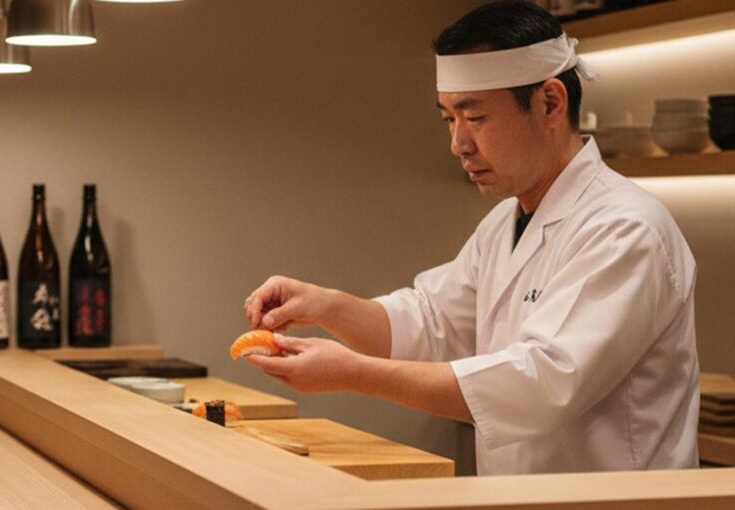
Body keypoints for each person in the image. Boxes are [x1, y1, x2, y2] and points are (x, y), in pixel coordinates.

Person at [243, 0, 700, 475]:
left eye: (475, 117)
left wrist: (353, 373)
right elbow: (430, 323)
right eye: (449, 118)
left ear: (550, 103)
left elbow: (541, 384)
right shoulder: (505, 223)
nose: (458, 143)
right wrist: (324, 304)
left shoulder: (627, 228)